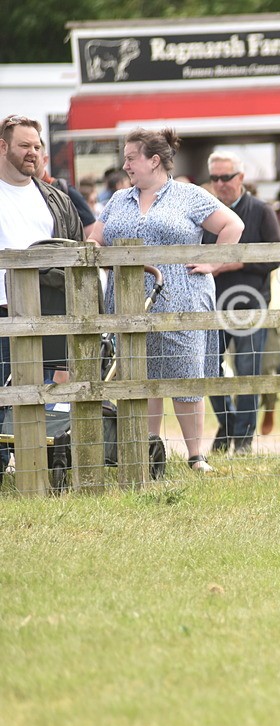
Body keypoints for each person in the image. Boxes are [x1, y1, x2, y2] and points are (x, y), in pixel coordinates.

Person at [89, 127, 244, 473]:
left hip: (181, 299)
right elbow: (96, 238)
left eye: (131, 158)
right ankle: (149, 451)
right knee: (140, 375)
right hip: (127, 303)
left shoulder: (189, 196)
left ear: (154, 160)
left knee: (184, 375)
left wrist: (213, 262)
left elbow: (232, 225)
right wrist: (95, 254)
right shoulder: (118, 200)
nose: (125, 165)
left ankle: (195, 456)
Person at [202, 150, 280, 456]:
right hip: (211, 303)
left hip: (250, 302)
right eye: (215, 178)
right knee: (208, 368)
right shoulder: (205, 211)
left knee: (248, 370)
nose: (221, 184)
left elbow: (276, 254)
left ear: (241, 178)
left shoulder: (261, 211)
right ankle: (228, 425)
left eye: (227, 177)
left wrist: (235, 263)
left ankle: (244, 441)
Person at [0, 114, 85, 388]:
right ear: (3, 147)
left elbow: (78, 255)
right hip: (3, 316)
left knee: (43, 413)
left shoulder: (56, 199)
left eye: (37, 147)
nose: (32, 153)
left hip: (47, 318)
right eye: (24, 146)